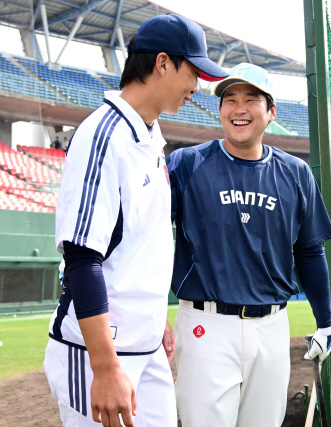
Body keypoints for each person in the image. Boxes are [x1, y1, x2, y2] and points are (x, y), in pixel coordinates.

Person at [45, 14, 227, 427]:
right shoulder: (104, 136)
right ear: (162, 63)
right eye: (193, 71)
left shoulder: (149, 136)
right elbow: (81, 257)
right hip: (100, 355)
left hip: (145, 347)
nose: (197, 86)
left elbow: (136, 245)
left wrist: (152, 318)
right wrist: (105, 369)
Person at [166, 63, 331, 427]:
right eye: (229, 99)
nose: (238, 108)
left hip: (272, 327)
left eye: (251, 99)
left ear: (271, 111)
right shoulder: (186, 163)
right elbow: (148, 236)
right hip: (205, 326)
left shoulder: (295, 173)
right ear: (220, 109)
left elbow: (309, 251)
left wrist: (325, 321)